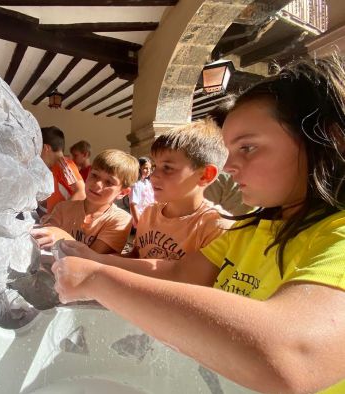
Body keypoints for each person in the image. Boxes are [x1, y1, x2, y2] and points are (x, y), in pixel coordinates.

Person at [51, 56, 345, 393]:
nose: (231, 166)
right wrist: (95, 259)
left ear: (328, 138)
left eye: (248, 148)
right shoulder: (249, 231)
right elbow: (177, 273)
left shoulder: (338, 238)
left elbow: (292, 357)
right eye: (231, 149)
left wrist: (96, 279)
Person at [130, 119, 231, 260]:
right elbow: (135, 256)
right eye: (155, 167)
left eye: (167, 168)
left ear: (205, 175)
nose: (153, 177)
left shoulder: (216, 227)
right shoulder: (149, 213)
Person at [31, 149, 137, 254]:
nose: (97, 184)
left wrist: (60, 235)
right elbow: (46, 234)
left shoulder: (120, 220)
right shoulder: (63, 208)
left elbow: (94, 258)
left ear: (123, 192)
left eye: (109, 182)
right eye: (94, 175)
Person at [38, 126, 85, 216]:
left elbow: (81, 192)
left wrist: (56, 216)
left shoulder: (64, 163)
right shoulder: (51, 166)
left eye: (37, 148)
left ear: (46, 148)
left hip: (61, 221)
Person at [128, 156, 155, 227]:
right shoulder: (135, 185)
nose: (148, 170)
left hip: (150, 216)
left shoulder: (148, 182)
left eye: (150, 168)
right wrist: (138, 222)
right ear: (139, 168)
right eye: (145, 168)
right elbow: (133, 204)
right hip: (141, 217)